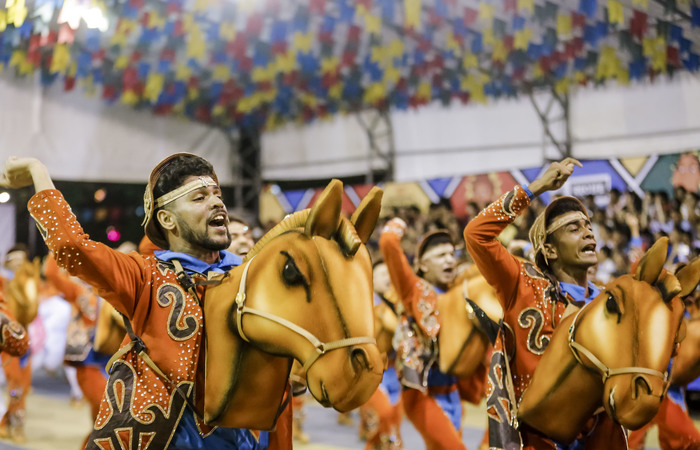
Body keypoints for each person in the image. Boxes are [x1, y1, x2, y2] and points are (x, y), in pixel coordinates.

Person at [0, 154, 290, 449]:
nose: (217, 203)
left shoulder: (251, 277)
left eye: (217, 194)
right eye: (200, 197)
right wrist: (38, 172)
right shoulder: (143, 275)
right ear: (166, 219)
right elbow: (71, 246)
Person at [464, 157, 625, 449]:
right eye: (574, 228)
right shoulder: (522, 284)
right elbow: (476, 235)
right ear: (549, 250)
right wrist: (537, 186)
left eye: (588, 227)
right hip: (536, 441)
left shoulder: (607, 302)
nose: (589, 232)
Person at [379, 223, 463, 449]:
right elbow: (388, 243)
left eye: (451, 254)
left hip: (453, 393)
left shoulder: (460, 290)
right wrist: (397, 224)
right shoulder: (413, 290)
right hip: (422, 394)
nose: (449, 260)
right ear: (423, 265)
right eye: (440, 255)